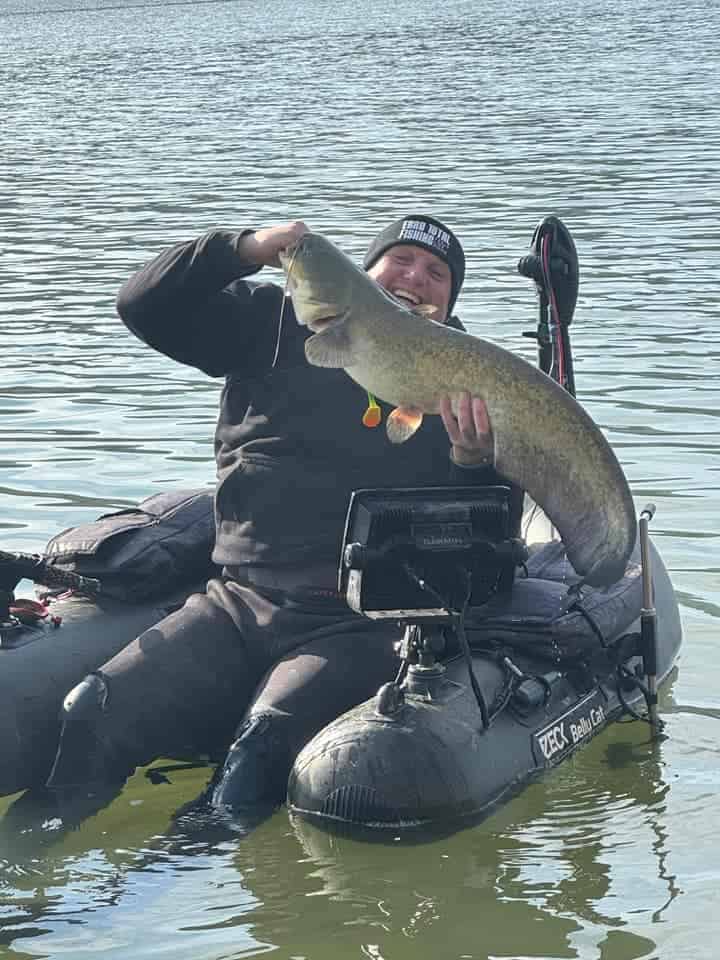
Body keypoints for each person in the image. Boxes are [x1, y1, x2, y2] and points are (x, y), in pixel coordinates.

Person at [45, 214, 524, 812]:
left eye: (437, 274)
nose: (415, 277)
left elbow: (489, 538)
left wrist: (472, 460)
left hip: (358, 624)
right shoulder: (271, 321)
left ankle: (159, 898)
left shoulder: (463, 380)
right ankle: (40, 887)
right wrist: (242, 249)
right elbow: (143, 304)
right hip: (238, 601)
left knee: (252, 762)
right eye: (399, 259)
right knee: (93, 705)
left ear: (449, 308)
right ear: (361, 273)